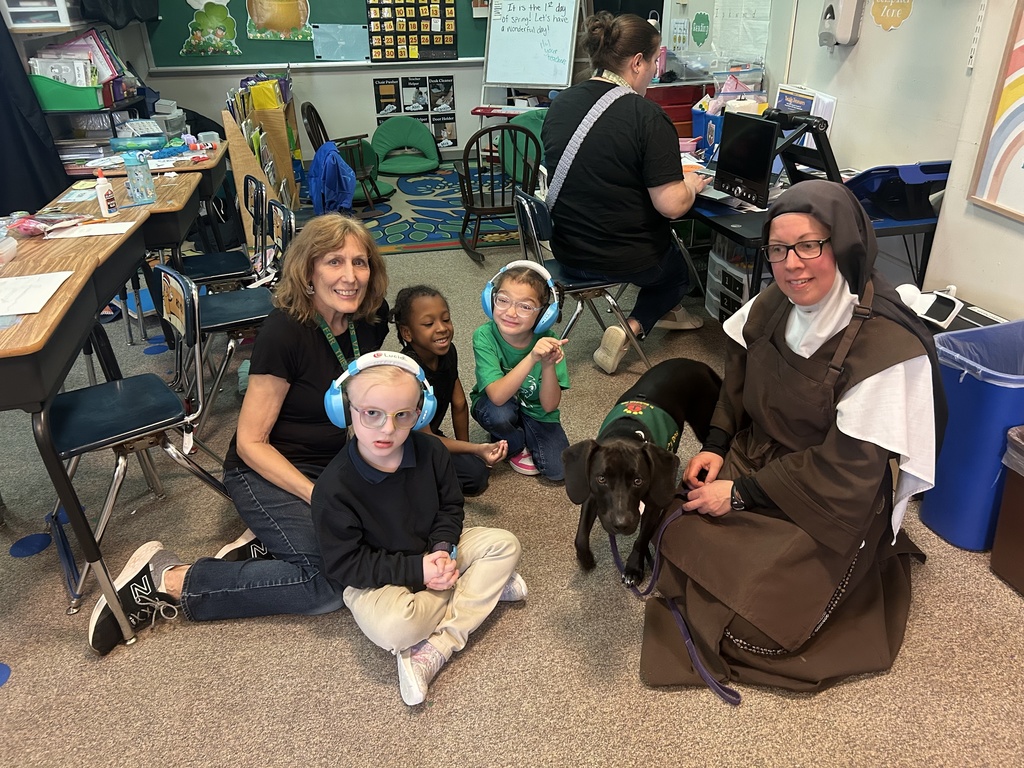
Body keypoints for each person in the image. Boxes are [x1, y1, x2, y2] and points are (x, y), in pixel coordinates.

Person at [639, 180, 947, 693]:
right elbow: (735, 384)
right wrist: (716, 446)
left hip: (828, 495)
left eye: (809, 245)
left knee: (755, 624)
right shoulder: (774, 304)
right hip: (760, 456)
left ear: (843, 243)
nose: (792, 264)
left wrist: (737, 494)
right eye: (778, 250)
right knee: (672, 517)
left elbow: (848, 469)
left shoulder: (884, 347)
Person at [88, 214, 391, 655]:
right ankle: (164, 578)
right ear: (308, 271)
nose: (350, 276)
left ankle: (267, 547)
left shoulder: (369, 320)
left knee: (387, 539)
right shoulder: (283, 332)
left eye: (360, 263)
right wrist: (317, 496)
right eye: (334, 262)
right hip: (265, 467)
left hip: (333, 463)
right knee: (327, 583)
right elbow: (252, 442)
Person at [311, 353, 526, 706]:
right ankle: (479, 590)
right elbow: (345, 565)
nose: (387, 428)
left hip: (435, 553)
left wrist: (441, 549)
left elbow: (450, 508)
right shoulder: (333, 489)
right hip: (378, 579)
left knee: (504, 544)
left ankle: (437, 647)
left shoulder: (431, 451)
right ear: (344, 409)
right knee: (396, 628)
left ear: (420, 413)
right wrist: (418, 570)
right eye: (371, 413)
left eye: (402, 415)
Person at [541, 11, 712, 375]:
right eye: (653, 63)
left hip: (567, 252)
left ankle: (660, 315)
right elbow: (670, 206)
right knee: (678, 272)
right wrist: (692, 185)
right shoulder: (646, 116)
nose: (653, 72)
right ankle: (630, 327)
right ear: (637, 62)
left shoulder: (560, 105)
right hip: (626, 259)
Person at [391, 284, 507, 495]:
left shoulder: (448, 351)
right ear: (407, 333)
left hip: (430, 437)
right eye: (428, 323)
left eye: (445, 319)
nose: (442, 328)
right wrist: (476, 450)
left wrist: (467, 451)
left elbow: (460, 403)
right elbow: (423, 436)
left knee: (476, 474)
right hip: (403, 448)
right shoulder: (407, 373)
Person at [470, 262, 570, 481]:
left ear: (544, 314)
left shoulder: (549, 343)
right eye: (503, 300)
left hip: (537, 410)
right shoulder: (484, 336)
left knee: (558, 471)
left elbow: (550, 405)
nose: (511, 312)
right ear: (491, 300)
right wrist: (532, 357)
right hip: (499, 404)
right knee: (498, 413)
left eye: (525, 306)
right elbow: (496, 396)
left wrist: (547, 364)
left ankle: (521, 431)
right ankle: (514, 444)